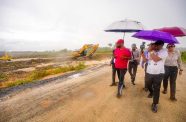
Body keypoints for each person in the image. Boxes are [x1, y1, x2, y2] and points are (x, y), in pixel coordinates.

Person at [145, 40, 168, 113]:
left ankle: (155, 104)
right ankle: (151, 92)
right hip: (149, 71)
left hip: (159, 73)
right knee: (148, 84)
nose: (156, 47)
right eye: (155, 45)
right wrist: (144, 52)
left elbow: (155, 59)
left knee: (157, 88)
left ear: (162, 45)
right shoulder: (151, 50)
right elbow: (146, 60)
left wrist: (151, 51)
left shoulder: (164, 52)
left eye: (158, 45)